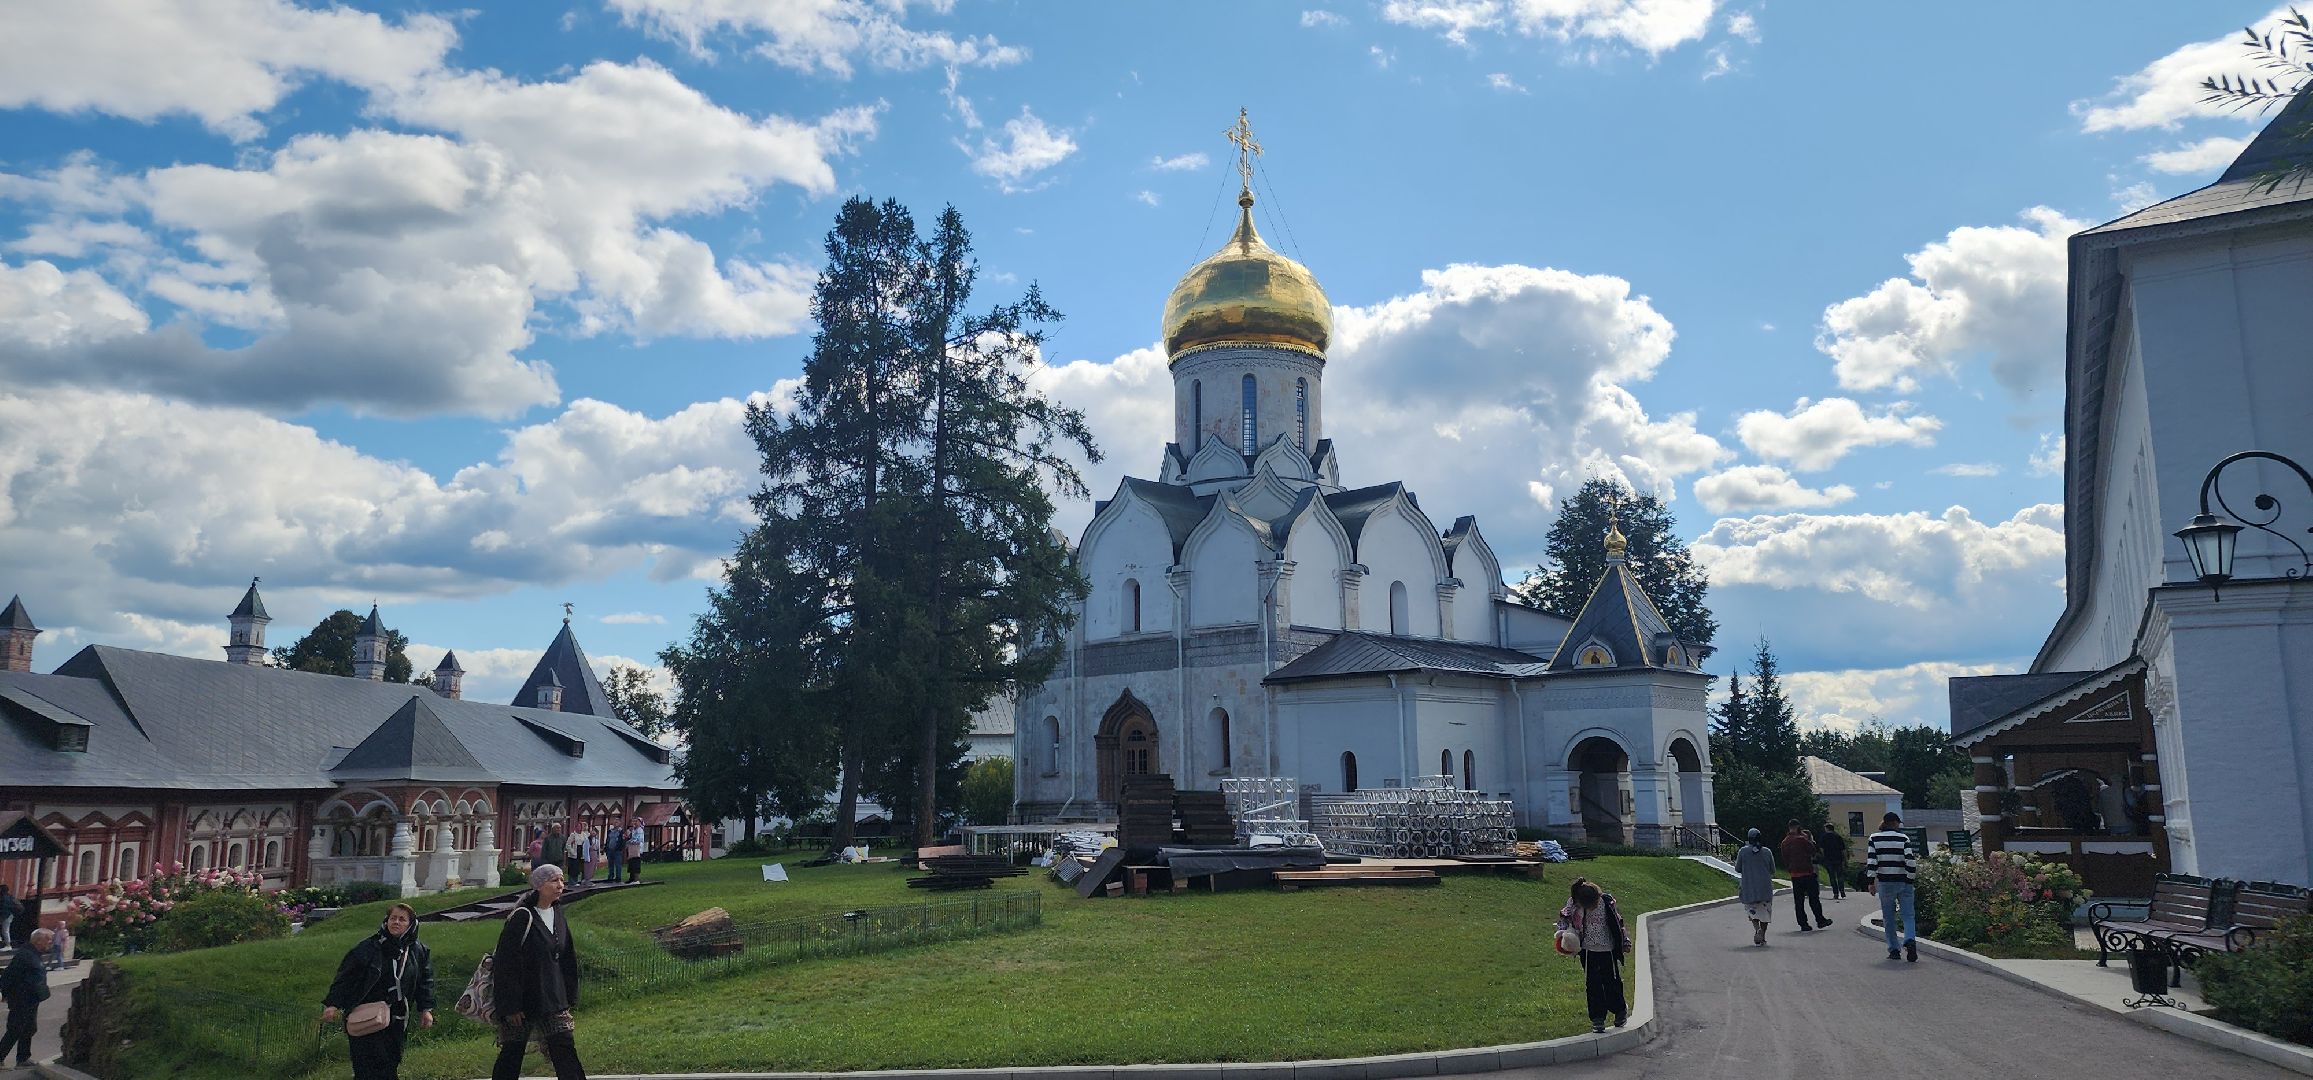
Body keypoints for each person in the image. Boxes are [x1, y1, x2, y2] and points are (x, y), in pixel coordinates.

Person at [492, 863, 586, 1080]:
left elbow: (567, 956)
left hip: (553, 998)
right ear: (539, 885)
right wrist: (511, 1006)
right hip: (523, 1002)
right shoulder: (522, 917)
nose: (560, 885)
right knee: (512, 1052)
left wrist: (569, 995)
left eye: (562, 880)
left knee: (564, 1048)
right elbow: (506, 964)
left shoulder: (557, 913)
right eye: (554, 880)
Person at [321, 902, 434, 1080]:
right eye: (393, 918)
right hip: (366, 1015)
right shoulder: (368, 947)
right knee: (366, 1068)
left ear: (411, 925)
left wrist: (426, 1010)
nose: (396, 922)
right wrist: (332, 1004)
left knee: (389, 1065)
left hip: (396, 1018)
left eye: (402, 919)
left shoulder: (417, 951)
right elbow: (345, 977)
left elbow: (424, 981)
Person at [1555, 877, 1628, 1033]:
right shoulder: (1574, 903)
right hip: (1588, 951)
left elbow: (1618, 922)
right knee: (1593, 985)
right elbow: (1563, 918)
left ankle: (1620, 1010)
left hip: (1607, 949)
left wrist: (1624, 941)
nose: (1594, 907)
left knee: (1611, 982)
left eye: (1595, 904)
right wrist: (1563, 933)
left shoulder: (1606, 902)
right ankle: (1597, 1018)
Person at [1866, 811, 1920, 962]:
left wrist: (1871, 882)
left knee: (1888, 917)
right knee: (1908, 915)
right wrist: (1910, 879)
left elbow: (1871, 862)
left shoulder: (1874, 838)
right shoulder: (1904, 838)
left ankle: (1894, 949)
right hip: (1903, 881)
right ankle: (1909, 939)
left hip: (1885, 882)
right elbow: (1910, 862)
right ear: (1896, 823)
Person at [0, 927, 52, 1067]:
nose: (50, 942)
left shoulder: (34, 954)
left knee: (29, 1028)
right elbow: (8, 975)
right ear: (38, 940)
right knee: (15, 1029)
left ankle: (23, 1058)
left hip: (31, 999)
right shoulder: (24, 955)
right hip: (21, 999)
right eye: (48, 939)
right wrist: (4, 993)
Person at [1733, 827, 1777, 946]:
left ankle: (1757, 928)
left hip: (1749, 887)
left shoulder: (1743, 851)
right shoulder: (1767, 851)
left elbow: (1737, 868)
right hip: (1765, 887)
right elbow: (1772, 870)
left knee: (1753, 911)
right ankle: (1762, 934)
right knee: (1765, 912)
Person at [1780, 820, 1825, 931]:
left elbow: (1784, 858)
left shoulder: (1784, 842)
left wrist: (1790, 868)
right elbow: (1812, 850)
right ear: (1798, 827)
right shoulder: (1801, 839)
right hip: (1807, 872)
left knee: (1799, 901)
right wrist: (1807, 838)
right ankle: (1820, 920)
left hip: (1795, 874)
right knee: (1814, 898)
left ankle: (1803, 924)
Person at [1816, 822, 1849, 901]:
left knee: (1832, 877)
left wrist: (1824, 856)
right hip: (1838, 859)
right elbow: (1843, 850)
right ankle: (1842, 891)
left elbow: (1821, 848)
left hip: (1829, 859)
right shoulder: (1838, 837)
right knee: (1840, 876)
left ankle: (1835, 893)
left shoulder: (1824, 837)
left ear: (1827, 828)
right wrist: (1845, 860)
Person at [624, 817, 645, 884]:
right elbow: (631, 838)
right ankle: (631, 878)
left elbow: (638, 840)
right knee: (631, 864)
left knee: (636, 864)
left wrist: (630, 842)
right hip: (632, 849)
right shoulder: (633, 830)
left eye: (636, 821)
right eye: (633, 821)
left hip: (637, 849)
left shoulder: (640, 830)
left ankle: (636, 879)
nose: (634, 823)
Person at [0, 885, 18, 949]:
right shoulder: (10, 897)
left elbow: (3, 908)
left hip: (5, 915)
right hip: (9, 915)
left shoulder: (3, 898)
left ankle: (8, 945)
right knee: (5, 930)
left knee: (5, 930)